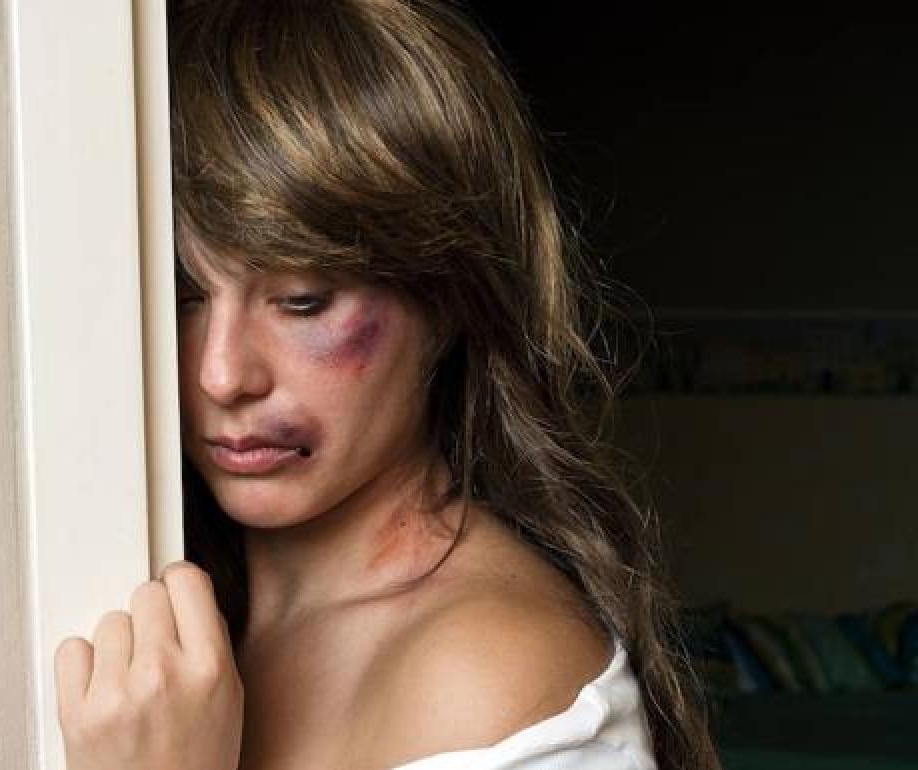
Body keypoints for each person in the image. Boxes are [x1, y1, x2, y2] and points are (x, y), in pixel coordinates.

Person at [55, 1, 723, 768]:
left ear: (448, 302)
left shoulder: (490, 675)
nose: (223, 374)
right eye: (184, 297)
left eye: (302, 301)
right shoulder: (169, 612)